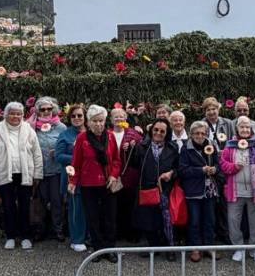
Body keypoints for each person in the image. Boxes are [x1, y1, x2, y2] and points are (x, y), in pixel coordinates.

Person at [68, 105, 122, 260]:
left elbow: (117, 160)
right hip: (88, 184)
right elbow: (75, 163)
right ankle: (97, 249)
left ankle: (110, 249)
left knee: (110, 217)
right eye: (95, 121)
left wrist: (113, 175)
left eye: (101, 121)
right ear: (89, 122)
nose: (99, 124)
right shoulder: (82, 138)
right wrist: (72, 181)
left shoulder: (111, 136)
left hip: (108, 182)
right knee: (93, 217)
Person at [0, 101, 43, 250]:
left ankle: (26, 236)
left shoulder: (28, 130)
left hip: (25, 174)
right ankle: (10, 236)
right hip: (5, 173)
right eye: (12, 113)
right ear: (6, 115)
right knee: (8, 206)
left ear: (22, 115)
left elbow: (37, 153)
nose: (15, 116)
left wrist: (37, 174)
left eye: (18, 114)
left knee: (25, 206)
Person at [220, 115, 255, 262]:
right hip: (235, 190)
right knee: (233, 220)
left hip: (254, 190)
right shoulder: (230, 146)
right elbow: (222, 164)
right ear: (237, 128)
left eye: (247, 126)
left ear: (251, 128)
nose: (244, 129)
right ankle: (238, 248)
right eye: (241, 126)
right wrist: (234, 167)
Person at [124, 118, 178, 252]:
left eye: (162, 131)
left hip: (165, 189)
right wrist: (127, 150)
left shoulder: (173, 147)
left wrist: (171, 173)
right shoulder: (142, 146)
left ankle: (169, 248)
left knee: (166, 221)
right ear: (151, 130)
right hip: (147, 188)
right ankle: (154, 246)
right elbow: (133, 164)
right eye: (156, 130)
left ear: (167, 133)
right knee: (148, 220)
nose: (158, 133)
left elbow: (179, 167)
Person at [176, 121, 219, 262]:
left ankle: (209, 246)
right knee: (194, 220)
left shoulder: (211, 146)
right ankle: (194, 248)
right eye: (196, 133)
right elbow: (182, 170)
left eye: (202, 133)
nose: (200, 136)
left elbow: (219, 164)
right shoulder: (185, 149)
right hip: (193, 190)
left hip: (210, 189)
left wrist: (215, 169)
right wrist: (200, 170)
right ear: (191, 134)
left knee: (210, 219)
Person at [33, 97, 68, 242]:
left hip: (56, 171)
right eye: (43, 109)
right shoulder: (32, 127)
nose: (46, 111)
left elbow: (67, 146)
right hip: (39, 171)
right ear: (38, 111)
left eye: (49, 109)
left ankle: (58, 229)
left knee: (56, 201)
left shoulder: (61, 127)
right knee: (40, 202)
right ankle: (40, 230)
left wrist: (58, 152)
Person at [109, 106, 144, 243]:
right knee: (114, 206)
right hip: (113, 175)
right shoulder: (108, 134)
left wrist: (134, 146)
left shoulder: (133, 133)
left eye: (121, 116)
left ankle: (131, 233)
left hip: (129, 175)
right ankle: (117, 232)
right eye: (115, 116)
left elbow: (142, 147)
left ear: (126, 118)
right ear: (111, 120)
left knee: (130, 205)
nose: (118, 119)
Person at [56, 104, 88, 252]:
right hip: (73, 177)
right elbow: (59, 156)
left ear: (85, 117)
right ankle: (77, 239)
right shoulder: (65, 134)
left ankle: (89, 237)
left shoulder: (92, 132)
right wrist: (78, 158)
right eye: (73, 116)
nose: (76, 118)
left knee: (90, 209)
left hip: (91, 177)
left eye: (79, 115)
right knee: (76, 209)